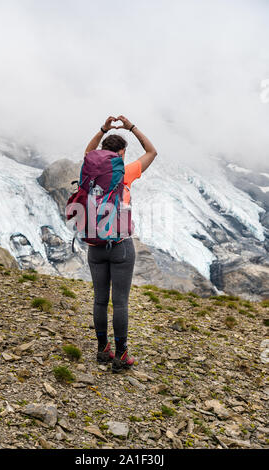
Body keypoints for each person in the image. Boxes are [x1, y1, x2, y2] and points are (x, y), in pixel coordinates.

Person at [85, 115, 157, 372]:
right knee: (121, 302)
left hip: (94, 246)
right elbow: (152, 151)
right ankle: (122, 355)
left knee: (100, 300)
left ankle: (103, 349)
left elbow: (89, 151)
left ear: (102, 152)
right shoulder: (124, 172)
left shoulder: (89, 169)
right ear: (122, 153)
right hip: (120, 245)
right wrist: (132, 127)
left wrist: (103, 128)